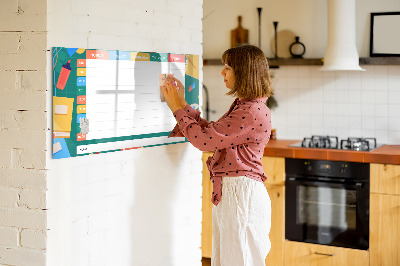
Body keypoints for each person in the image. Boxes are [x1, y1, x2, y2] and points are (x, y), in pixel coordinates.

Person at [161, 44, 273, 266]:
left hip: (241, 195)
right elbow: (211, 133)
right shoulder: (246, 106)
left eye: (228, 67)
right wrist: (182, 103)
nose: (222, 72)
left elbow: (204, 141)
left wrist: (176, 108)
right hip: (236, 193)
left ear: (244, 72)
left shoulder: (250, 111)